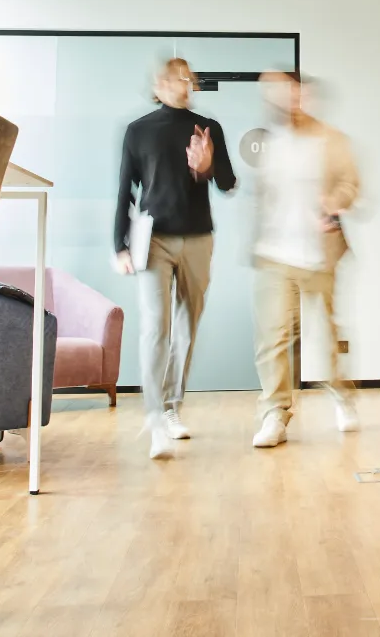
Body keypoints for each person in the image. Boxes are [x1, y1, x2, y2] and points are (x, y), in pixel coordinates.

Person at [114, 58, 236, 459]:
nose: (185, 83)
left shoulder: (207, 128)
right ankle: (154, 419)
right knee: (155, 327)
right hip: (153, 239)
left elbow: (228, 183)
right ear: (160, 83)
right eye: (177, 77)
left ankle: (171, 408)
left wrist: (207, 166)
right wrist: (120, 244)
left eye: (190, 78)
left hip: (199, 238)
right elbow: (125, 191)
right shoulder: (138, 131)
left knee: (186, 327)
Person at [249, 72, 361, 448]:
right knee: (274, 336)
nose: (290, 100)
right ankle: (275, 414)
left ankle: (341, 393)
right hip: (275, 254)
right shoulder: (271, 142)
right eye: (281, 94)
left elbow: (350, 183)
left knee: (325, 332)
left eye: (295, 93)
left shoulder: (332, 140)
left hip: (319, 253)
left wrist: (334, 204)